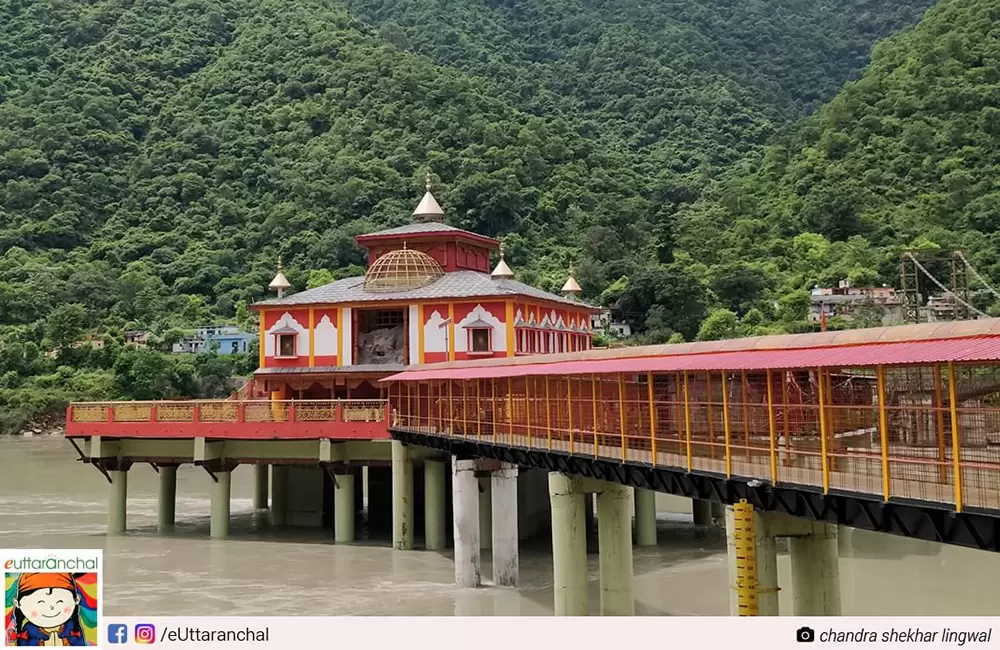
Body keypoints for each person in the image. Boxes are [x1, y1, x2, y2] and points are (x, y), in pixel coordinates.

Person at [10, 573, 87, 646]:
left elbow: (80, 643)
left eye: (59, 602)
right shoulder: (28, 630)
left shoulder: (73, 626)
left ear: (76, 600)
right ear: (18, 604)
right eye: (40, 603)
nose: (50, 608)